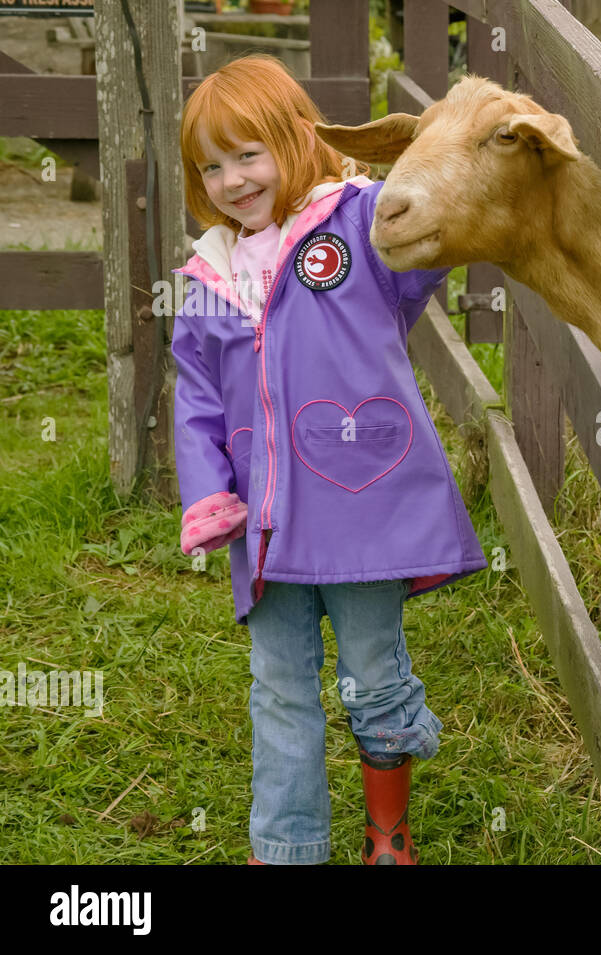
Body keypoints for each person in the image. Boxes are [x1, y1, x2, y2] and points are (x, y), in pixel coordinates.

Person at [172, 54, 487, 865]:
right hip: (266, 525)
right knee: (279, 685)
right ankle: (286, 847)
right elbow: (196, 399)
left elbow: (440, 214)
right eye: (211, 165)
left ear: (297, 139)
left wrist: (439, 148)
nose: (233, 180)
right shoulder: (207, 281)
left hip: (364, 508)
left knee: (373, 674)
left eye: (249, 153)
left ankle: (388, 834)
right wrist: (209, 494)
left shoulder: (359, 225)